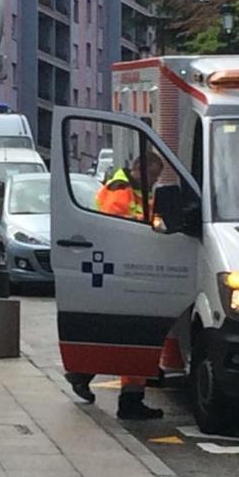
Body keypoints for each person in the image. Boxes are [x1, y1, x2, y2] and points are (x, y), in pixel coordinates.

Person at [66, 152, 166, 420]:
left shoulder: (137, 191)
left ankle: (88, 377)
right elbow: (115, 228)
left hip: (131, 270)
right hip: (123, 271)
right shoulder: (120, 190)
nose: (155, 182)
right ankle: (126, 399)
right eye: (153, 176)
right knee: (132, 335)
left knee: (124, 336)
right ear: (140, 170)